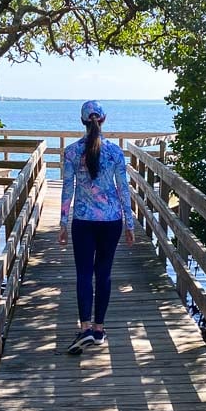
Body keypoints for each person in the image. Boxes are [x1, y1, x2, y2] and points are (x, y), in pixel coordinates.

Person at [59, 100, 135, 353]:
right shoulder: (115, 152)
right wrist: (130, 224)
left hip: (82, 221)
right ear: (103, 120)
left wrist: (62, 222)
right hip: (111, 221)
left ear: (83, 121)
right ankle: (99, 330)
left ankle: (85, 329)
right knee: (103, 273)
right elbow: (123, 189)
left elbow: (68, 189)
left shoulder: (71, 152)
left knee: (83, 274)